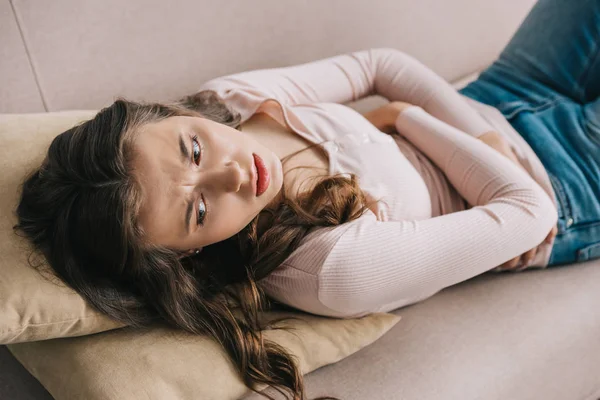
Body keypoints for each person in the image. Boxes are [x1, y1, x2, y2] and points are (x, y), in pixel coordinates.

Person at [12, 0, 599, 399]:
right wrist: (406, 116)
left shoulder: (233, 102)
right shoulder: (327, 268)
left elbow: (381, 64)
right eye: (197, 211)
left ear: (173, 114)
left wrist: (468, 129)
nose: (232, 176)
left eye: (192, 149)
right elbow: (529, 213)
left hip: (501, 92)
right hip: (566, 182)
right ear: (186, 257)